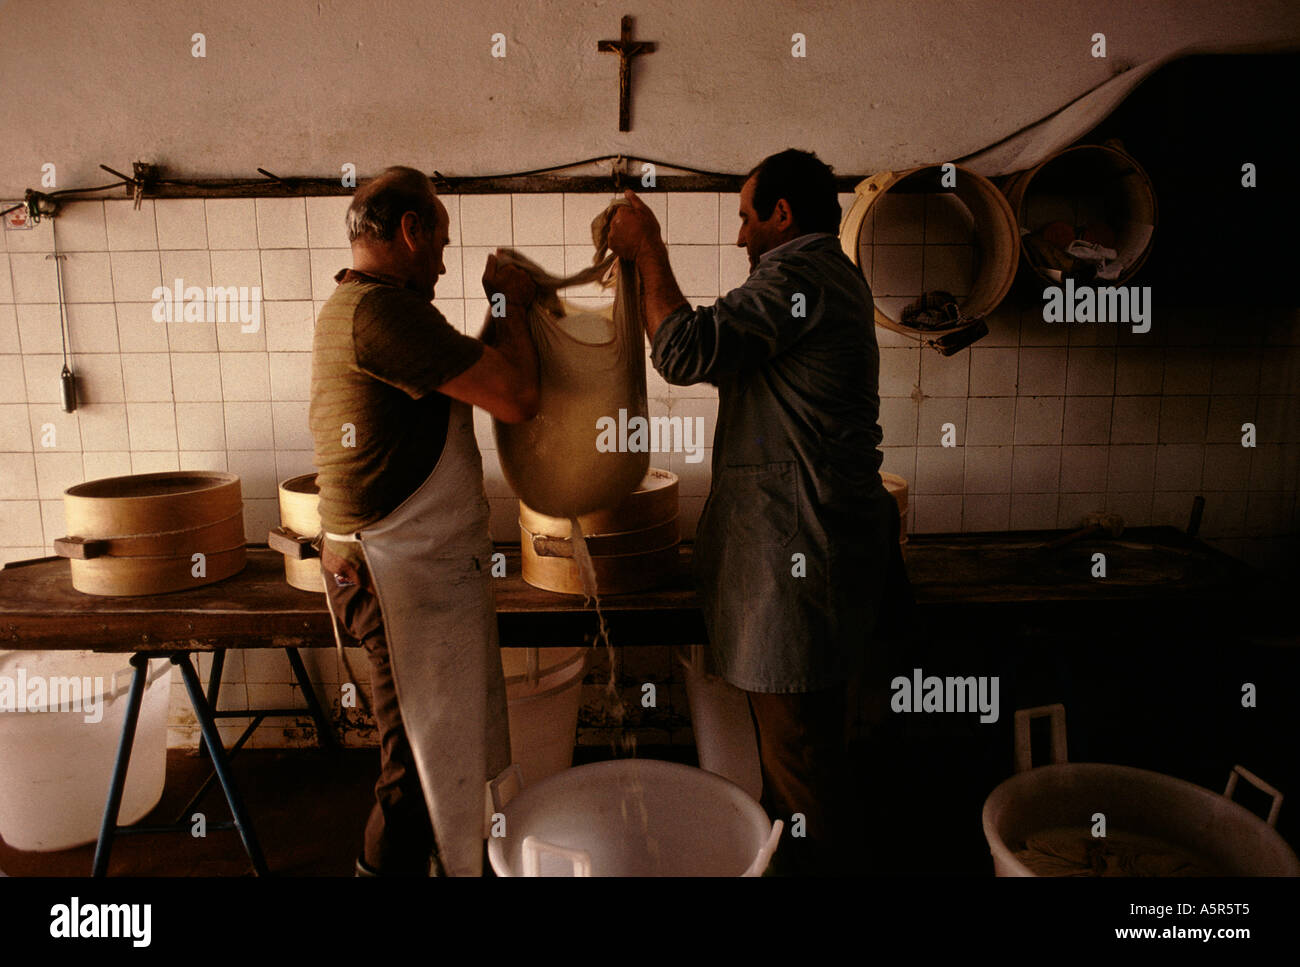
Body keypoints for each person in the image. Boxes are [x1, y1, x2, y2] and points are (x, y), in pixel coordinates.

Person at [607, 148, 910, 875]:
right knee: (805, 762)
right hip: (818, 553)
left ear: (782, 213)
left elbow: (682, 350)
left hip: (803, 564)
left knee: (803, 769)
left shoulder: (801, 277)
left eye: (746, 217)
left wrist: (648, 248)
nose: (741, 236)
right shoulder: (820, 281)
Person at [309, 166, 539, 876]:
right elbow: (516, 396)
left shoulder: (372, 308)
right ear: (410, 230)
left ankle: (443, 864)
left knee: (440, 753)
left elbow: (463, 372)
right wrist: (511, 305)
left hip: (400, 567)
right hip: (391, 575)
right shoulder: (383, 314)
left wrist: (501, 312)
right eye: (440, 238)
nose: (444, 258)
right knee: (412, 774)